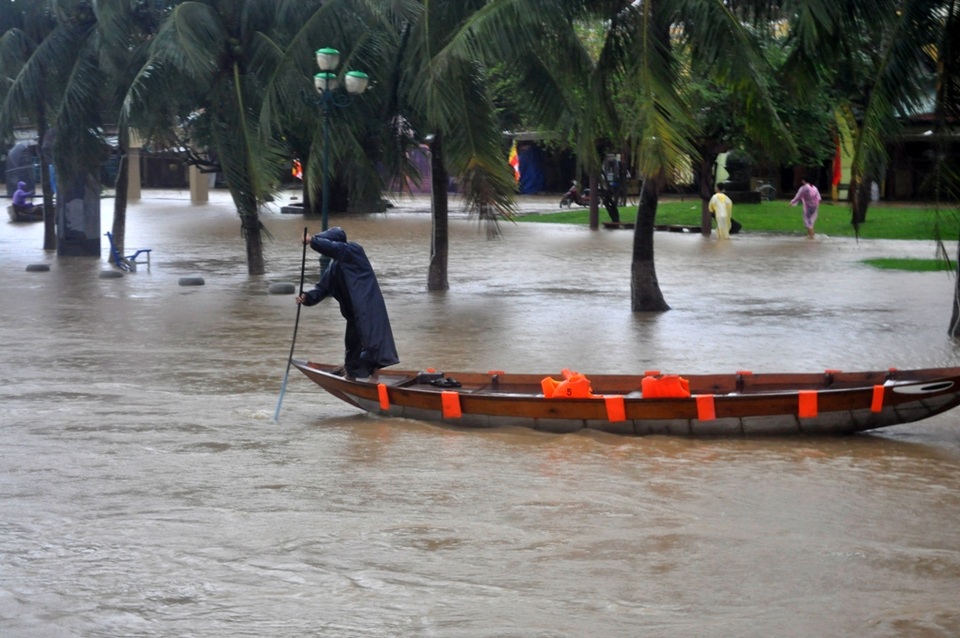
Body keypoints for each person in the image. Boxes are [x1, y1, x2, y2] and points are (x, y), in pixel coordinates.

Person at [296, 227, 399, 380]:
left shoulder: (353, 251)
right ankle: (352, 376)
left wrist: (313, 241)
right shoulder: (333, 267)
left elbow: (334, 247)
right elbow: (322, 289)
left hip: (368, 307)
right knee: (352, 346)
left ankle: (374, 380)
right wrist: (306, 297)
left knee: (373, 344)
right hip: (353, 313)